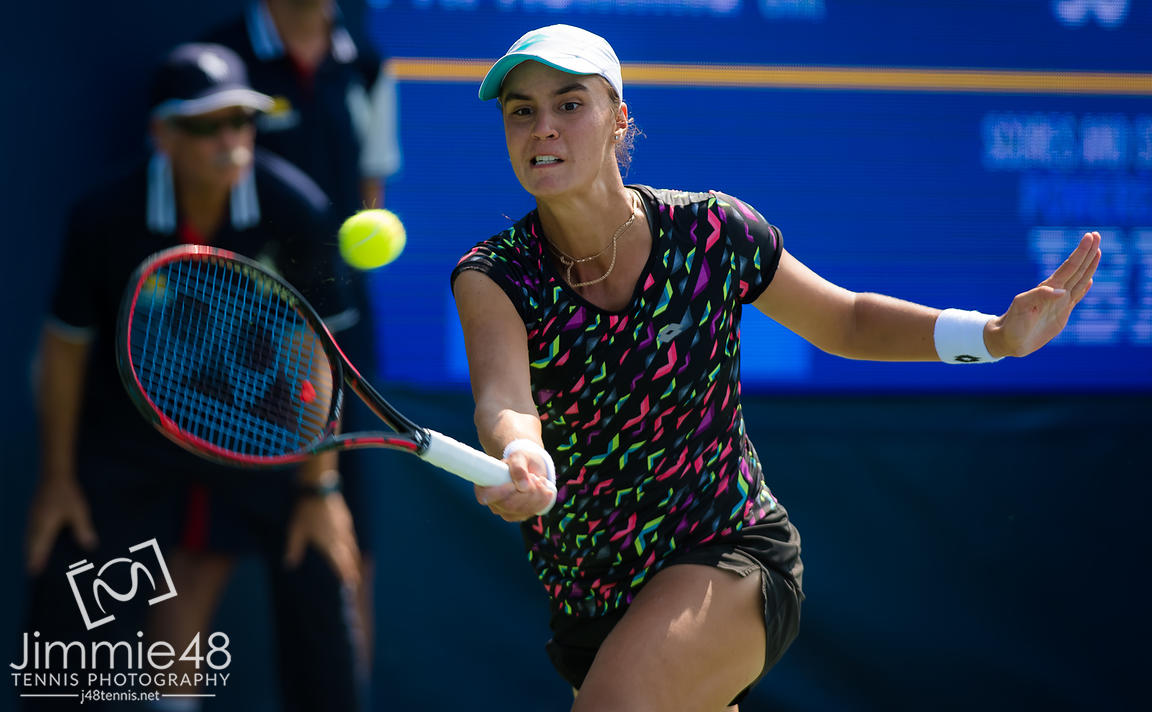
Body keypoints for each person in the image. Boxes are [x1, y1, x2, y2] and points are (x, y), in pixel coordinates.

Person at [449, 25, 1102, 712]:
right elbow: (506, 402)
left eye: (569, 104)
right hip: (589, 601)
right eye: (521, 110)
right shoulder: (492, 276)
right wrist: (520, 452)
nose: (543, 127)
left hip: (730, 551)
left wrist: (994, 337)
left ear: (618, 119)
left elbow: (846, 321)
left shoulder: (710, 233)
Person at [23, 43, 362, 710]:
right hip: (131, 442)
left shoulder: (295, 207)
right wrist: (58, 479)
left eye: (242, 121)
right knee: (69, 591)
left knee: (321, 570)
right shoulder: (103, 217)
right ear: (164, 135)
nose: (231, 140)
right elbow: (63, 351)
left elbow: (316, 355)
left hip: (264, 437)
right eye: (207, 125)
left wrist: (319, 485)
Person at [204, 0, 403, 674]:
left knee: (348, 546)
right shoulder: (223, 58)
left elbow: (371, 187)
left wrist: (326, 288)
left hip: (338, 326)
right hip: (233, 333)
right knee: (202, 545)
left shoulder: (364, 63)